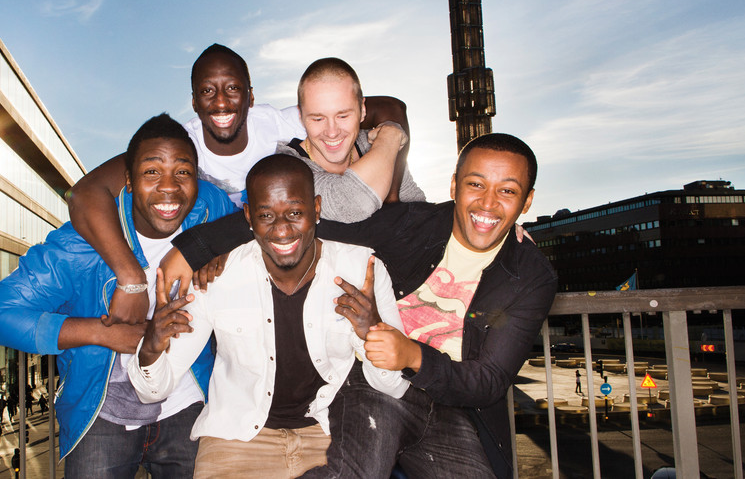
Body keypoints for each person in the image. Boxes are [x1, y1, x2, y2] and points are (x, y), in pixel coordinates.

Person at [170, 133, 558, 478]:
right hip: (376, 386)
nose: (488, 203)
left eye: (507, 191)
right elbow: (302, 220)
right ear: (455, 184)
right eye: (476, 184)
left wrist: (412, 356)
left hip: (452, 407)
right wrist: (196, 250)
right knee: (355, 470)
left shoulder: (532, 276)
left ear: (527, 200)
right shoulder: (411, 224)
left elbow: (488, 381)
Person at [66, 44, 412, 326]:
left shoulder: (276, 124)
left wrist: (393, 194)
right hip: (209, 272)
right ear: (193, 101)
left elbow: (390, 108)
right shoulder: (178, 148)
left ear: (250, 95)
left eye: (233, 89)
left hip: (271, 255)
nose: (221, 102)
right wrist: (130, 277)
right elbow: (84, 193)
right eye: (207, 91)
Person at [0, 114, 235, 475]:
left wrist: (216, 245)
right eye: (151, 172)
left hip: (187, 402)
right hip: (102, 414)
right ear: (128, 180)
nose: (169, 187)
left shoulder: (207, 207)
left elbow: (252, 221)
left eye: (183, 172)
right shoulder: (76, 247)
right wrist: (104, 333)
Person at [128, 154, 408, 479]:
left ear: (317, 208)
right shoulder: (216, 278)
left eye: (295, 213)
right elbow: (152, 391)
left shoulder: (362, 270)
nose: (282, 229)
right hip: (236, 440)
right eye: (266, 215)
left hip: (329, 434)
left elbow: (394, 387)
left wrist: (372, 333)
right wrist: (151, 348)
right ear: (248, 216)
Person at [277, 57, 425, 222]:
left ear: (362, 110)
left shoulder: (371, 146)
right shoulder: (285, 166)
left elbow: (419, 212)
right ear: (300, 116)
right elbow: (350, 204)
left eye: (343, 116)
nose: (332, 132)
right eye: (318, 119)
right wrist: (390, 136)